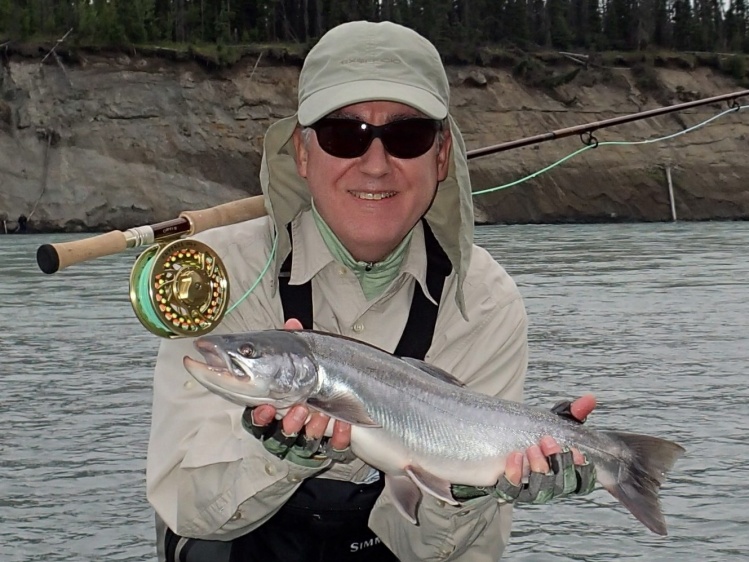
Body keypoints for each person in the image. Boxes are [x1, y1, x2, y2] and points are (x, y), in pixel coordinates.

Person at [146, 20, 597, 562]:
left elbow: (445, 555)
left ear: (441, 155)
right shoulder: (211, 276)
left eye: (407, 136)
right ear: (303, 152)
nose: (376, 164)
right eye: (345, 134)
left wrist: (471, 488)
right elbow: (189, 515)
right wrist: (282, 458)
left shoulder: (484, 302)